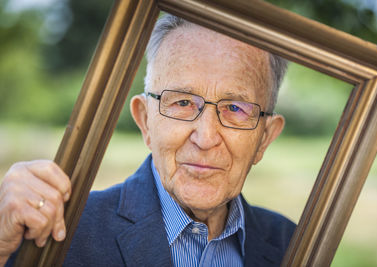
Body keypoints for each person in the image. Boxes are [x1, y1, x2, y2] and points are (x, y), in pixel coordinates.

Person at [0, 14, 295, 267]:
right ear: (145, 121)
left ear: (264, 139)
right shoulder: (58, 232)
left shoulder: (294, 246)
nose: (205, 138)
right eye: (181, 103)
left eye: (234, 109)